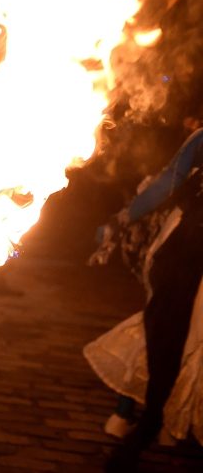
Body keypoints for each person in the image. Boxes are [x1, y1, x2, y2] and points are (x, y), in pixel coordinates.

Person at [91, 112, 203, 470]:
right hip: (188, 249)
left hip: (189, 251)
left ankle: (151, 422)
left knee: (173, 337)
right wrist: (123, 218)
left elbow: (170, 180)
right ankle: (152, 420)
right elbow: (170, 179)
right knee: (168, 335)